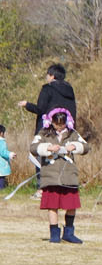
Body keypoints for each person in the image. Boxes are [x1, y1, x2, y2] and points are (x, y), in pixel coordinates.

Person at [32, 108, 88, 243]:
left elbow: (86, 147)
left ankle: (69, 233)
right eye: (56, 124)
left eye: (62, 124)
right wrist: (48, 148)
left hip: (69, 175)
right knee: (52, 206)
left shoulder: (72, 133)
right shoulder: (43, 133)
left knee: (71, 205)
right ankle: (54, 234)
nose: (59, 127)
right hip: (50, 176)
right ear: (51, 122)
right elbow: (33, 147)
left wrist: (74, 146)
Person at [18, 63, 78, 185]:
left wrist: (27, 105)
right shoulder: (69, 90)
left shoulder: (48, 88)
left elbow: (40, 109)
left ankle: (43, 187)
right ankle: (66, 185)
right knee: (64, 156)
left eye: (47, 74)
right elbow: (73, 111)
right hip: (66, 129)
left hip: (47, 129)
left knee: (42, 155)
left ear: (51, 76)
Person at [0, 123, 11, 190]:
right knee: (1, 178)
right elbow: (3, 152)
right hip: (1, 165)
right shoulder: (1, 142)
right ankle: (1, 189)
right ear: (1, 133)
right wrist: (10, 154)